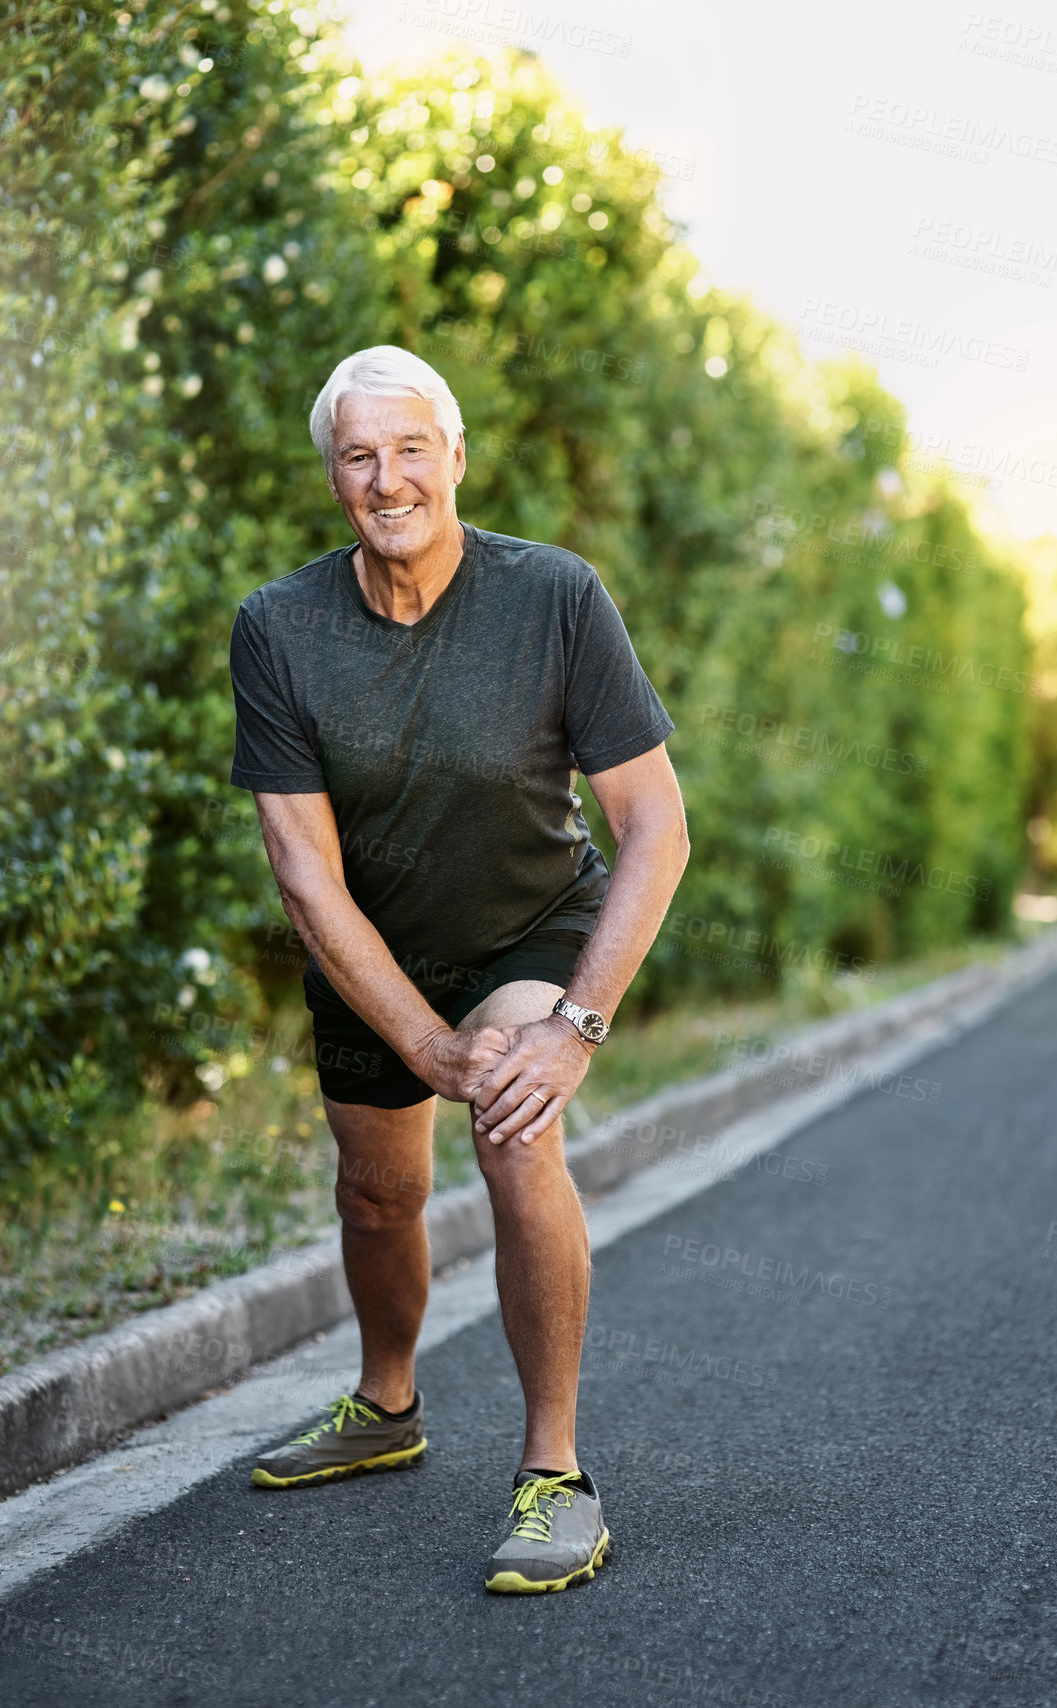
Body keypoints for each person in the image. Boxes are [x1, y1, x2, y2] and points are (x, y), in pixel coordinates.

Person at [228, 344, 689, 1593]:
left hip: (528, 932)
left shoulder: (555, 597)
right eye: (360, 456)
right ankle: (388, 1404)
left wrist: (574, 1022)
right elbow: (308, 877)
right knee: (376, 1194)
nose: (389, 478)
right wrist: (424, 1045)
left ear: (457, 457)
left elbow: (658, 826)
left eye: (410, 448)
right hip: (369, 950)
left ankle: (555, 1475)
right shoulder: (277, 628)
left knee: (513, 1128)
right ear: (335, 478)